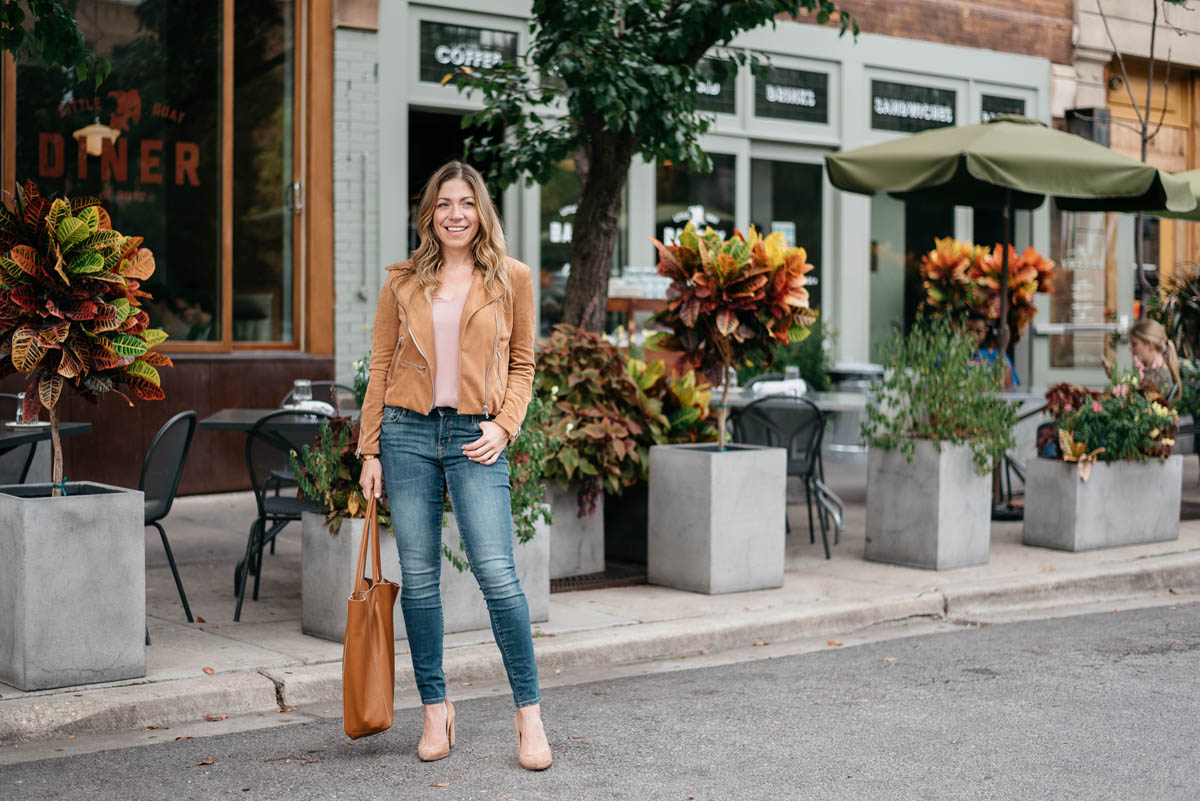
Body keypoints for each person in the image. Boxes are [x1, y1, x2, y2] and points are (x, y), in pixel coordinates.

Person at [357, 161, 550, 771]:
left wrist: (504, 425)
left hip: (476, 437)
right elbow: (380, 368)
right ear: (429, 214)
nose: (455, 214)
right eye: (444, 204)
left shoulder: (512, 279)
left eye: (466, 203)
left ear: (482, 211)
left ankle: (529, 716)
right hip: (407, 433)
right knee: (418, 578)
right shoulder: (402, 282)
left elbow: (523, 365)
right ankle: (436, 709)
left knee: (498, 575)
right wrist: (370, 450)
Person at [1106, 319, 1181, 398]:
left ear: (1149, 345)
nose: (1130, 349)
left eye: (1134, 344)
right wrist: (1114, 376)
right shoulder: (1153, 372)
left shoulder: (1159, 377)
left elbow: (1134, 402)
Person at [964, 311, 1017, 390]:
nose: (973, 335)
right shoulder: (950, 358)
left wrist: (1002, 350)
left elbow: (1008, 391)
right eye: (969, 330)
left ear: (985, 333)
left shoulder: (998, 356)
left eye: (979, 331)